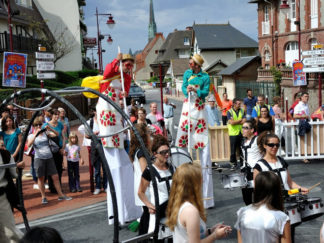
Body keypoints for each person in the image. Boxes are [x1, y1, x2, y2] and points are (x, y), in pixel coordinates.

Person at [96, 53, 141, 225]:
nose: (128, 67)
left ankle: (127, 211)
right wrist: (117, 61)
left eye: (130, 65)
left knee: (123, 161)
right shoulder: (111, 72)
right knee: (113, 155)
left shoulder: (126, 78)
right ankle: (119, 213)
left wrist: (124, 91)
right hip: (106, 112)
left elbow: (125, 93)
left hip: (116, 114)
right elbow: (107, 72)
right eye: (126, 64)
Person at [175, 54, 214, 209]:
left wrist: (196, 90)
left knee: (203, 143)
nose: (190, 65)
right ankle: (186, 194)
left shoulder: (205, 76)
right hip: (187, 108)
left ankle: (206, 198)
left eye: (192, 64)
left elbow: (206, 92)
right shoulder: (186, 73)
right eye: (190, 63)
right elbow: (184, 87)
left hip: (199, 108)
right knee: (183, 140)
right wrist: (187, 90)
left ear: (197, 65)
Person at [166, 163, 232, 242]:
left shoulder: (179, 203)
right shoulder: (190, 211)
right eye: (200, 178)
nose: (202, 181)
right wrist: (215, 235)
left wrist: (211, 231)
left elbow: (191, 235)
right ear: (193, 183)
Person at [235, 171, 291, 243]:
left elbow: (240, 240)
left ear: (257, 189)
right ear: (277, 190)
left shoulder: (242, 212)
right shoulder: (282, 218)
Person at [27, 118, 72, 204]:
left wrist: (49, 129)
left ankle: (60, 195)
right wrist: (36, 134)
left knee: (55, 176)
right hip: (39, 158)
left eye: (40, 124)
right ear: (33, 127)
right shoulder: (31, 136)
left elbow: (57, 134)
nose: (39, 126)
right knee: (41, 178)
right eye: (36, 125)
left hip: (49, 157)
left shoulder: (45, 133)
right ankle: (43, 196)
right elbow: (29, 144)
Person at [138, 134, 174, 240]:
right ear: (155, 154)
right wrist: (149, 205)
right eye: (163, 152)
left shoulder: (172, 168)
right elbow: (140, 192)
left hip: (173, 211)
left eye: (168, 151)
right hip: (158, 213)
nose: (167, 154)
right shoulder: (149, 171)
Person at [129, 123, 152, 236]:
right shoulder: (141, 152)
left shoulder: (137, 150)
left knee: (147, 213)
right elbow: (145, 171)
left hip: (140, 185)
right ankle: (143, 236)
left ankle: (143, 235)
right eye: (148, 132)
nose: (149, 134)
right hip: (144, 187)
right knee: (148, 213)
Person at [0, 141, 24, 242]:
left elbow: (15, 174)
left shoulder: (4, 154)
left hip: (1, 198)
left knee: (10, 232)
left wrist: (19, 167)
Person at [43, 109, 65, 193]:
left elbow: (63, 136)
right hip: (49, 149)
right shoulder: (46, 125)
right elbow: (48, 135)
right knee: (51, 168)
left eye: (58, 115)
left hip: (58, 148)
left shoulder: (60, 124)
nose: (57, 116)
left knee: (59, 168)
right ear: (51, 115)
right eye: (55, 115)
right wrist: (50, 130)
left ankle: (58, 186)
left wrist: (62, 147)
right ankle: (52, 186)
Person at [240, 120, 262, 205]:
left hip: (256, 171)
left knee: (258, 197)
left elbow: (265, 154)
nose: (243, 130)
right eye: (243, 128)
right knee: (246, 198)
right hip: (245, 172)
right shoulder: (243, 141)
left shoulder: (258, 140)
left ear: (252, 130)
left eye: (245, 128)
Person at [227, 98, 246, 169]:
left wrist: (236, 121)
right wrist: (240, 120)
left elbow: (244, 121)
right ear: (234, 104)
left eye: (240, 104)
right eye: (238, 104)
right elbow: (231, 123)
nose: (239, 105)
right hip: (233, 133)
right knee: (233, 149)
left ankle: (242, 164)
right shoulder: (229, 112)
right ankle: (233, 163)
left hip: (241, 132)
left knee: (242, 149)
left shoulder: (242, 110)